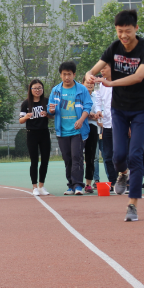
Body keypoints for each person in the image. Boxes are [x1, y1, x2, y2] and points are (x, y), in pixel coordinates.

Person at [85, 10, 144, 222]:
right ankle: (123, 173)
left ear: (136, 28)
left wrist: (111, 83)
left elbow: (139, 76)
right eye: (119, 31)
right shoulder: (114, 48)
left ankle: (132, 205)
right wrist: (89, 75)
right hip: (119, 108)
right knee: (117, 156)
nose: (123, 35)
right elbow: (93, 69)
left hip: (141, 108)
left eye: (128, 31)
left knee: (135, 154)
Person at [48, 63, 92, 196]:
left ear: (74, 74)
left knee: (76, 157)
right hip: (62, 131)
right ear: (60, 75)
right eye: (64, 74)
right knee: (67, 158)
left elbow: (88, 106)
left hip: (78, 131)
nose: (67, 77)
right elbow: (50, 110)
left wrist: (81, 120)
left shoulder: (81, 89)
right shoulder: (55, 90)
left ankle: (78, 185)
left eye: (69, 74)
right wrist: (50, 110)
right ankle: (71, 185)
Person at [19, 79, 51, 196]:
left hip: (44, 133)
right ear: (31, 89)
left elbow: (52, 116)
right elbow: (21, 120)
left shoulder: (46, 101)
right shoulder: (26, 103)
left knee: (45, 160)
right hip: (31, 133)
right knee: (34, 160)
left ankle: (41, 186)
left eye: (39, 88)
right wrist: (26, 117)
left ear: (42, 89)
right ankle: (34, 187)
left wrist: (47, 114)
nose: (37, 90)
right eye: (35, 88)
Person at [95, 65, 116, 189]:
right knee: (107, 156)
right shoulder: (100, 85)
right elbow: (98, 100)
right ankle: (113, 182)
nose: (102, 70)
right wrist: (98, 111)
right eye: (101, 68)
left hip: (120, 125)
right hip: (106, 125)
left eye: (105, 67)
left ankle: (126, 181)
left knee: (122, 155)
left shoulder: (120, 83)